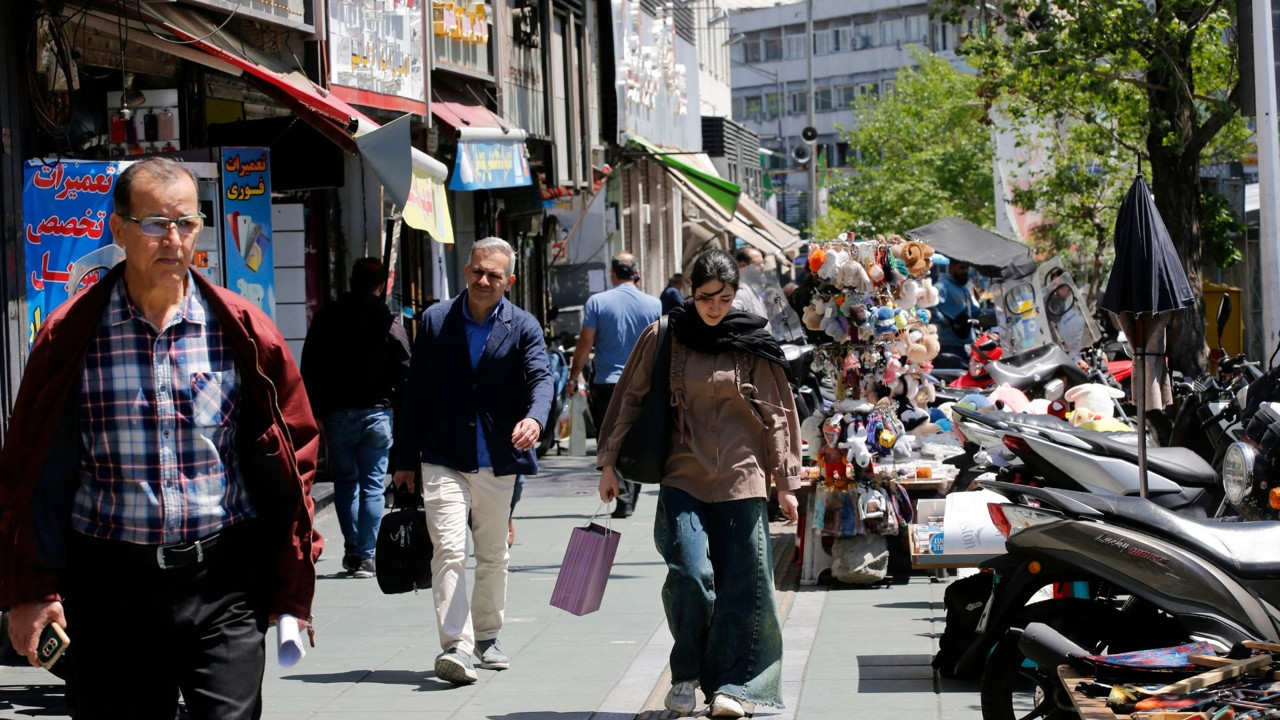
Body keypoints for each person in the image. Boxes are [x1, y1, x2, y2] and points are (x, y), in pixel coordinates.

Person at [0, 156, 320, 719]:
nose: (173, 240)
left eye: (186, 223)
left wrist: (291, 576)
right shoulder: (70, 337)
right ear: (119, 230)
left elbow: (293, 453)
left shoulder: (242, 331)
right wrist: (32, 590)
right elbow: (31, 469)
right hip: (110, 585)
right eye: (154, 224)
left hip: (222, 581)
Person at [595, 248, 801, 719]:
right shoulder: (665, 335)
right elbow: (629, 398)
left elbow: (778, 413)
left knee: (743, 585)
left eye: (725, 297)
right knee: (689, 574)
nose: (715, 307)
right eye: (706, 297)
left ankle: (733, 686)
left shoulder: (752, 339)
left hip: (742, 476)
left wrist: (786, 481)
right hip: (682, 473)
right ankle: (687, 671)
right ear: (692, 293)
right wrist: (608, 463)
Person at [392, 237, 553, 686]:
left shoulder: (523, 326)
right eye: (477, 271)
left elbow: (541, 379)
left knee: (493, 553)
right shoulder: (436, 320)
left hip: (498, 458)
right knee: (447, 548)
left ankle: (487, 636)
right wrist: (403, 459)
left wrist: (535, 419)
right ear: (466, 270)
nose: (484, 281)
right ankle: (457, 646)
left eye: (494, 275)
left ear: (509, 281)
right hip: (443, 454)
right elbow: (415, 394)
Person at [301, 257, 410, 579]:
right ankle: (366, 555)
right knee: (373, 485)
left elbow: (309, 367)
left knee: (346, 484)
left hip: (337, 414)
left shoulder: (326, 318)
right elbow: (406, 370)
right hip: (377, 413)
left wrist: (315, 412)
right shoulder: (389, 321)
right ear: (382, 285)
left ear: (350, 280)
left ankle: (352, 551)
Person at [566, 253, 661, 518]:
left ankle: (622, 492)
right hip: (644, 383)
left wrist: (574, 377)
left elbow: (585, 343)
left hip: (607, 383)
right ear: (637, 273)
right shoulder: (654, 303)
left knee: (609, 436)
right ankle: (631, 492)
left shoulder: (597, 302)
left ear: (612, 274)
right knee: (636, 436)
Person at [933, 259, 982, 364]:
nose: (965, 271)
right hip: (949, 347)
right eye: (961, 267)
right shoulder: (943, 286)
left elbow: (974, 311)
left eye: (967, 268)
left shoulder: (964, 288)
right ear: (951, 268)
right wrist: (942, 320)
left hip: (967, 345)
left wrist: (995, 313)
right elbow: (928, 305)